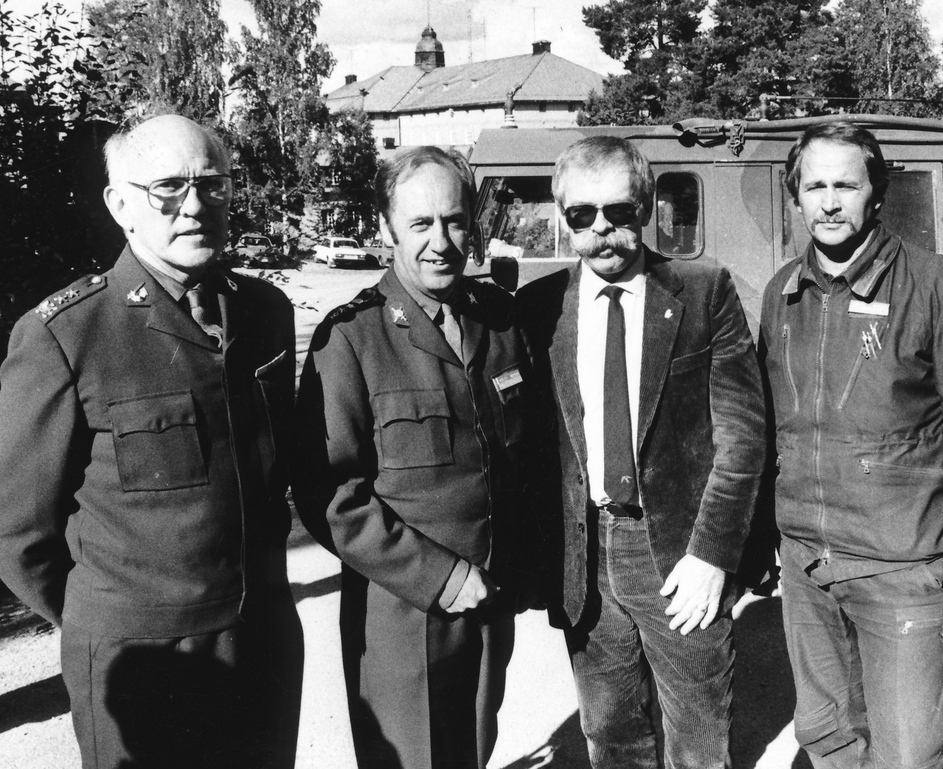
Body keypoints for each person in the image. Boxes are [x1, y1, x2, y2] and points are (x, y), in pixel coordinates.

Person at [0, 114, 303, 768]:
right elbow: (15, 529)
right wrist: (105, 619)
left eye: (212, 184)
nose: (194, 206)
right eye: (168, 187)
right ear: (120, 205)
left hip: (263, 643)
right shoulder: (66, 335)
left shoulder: (264, 313)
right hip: (145, 663)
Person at [758, 122, 943, 769]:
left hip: (901, 566)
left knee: (906, 754)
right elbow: (769, 431)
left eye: (846, 185)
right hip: (807, 565)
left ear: (877, 193)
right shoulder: (782, 292)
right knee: (827, 738)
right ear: (795, 196)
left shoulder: (937, 285)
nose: (829, 202)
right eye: (814, 186)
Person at [519, 136, 765, 769]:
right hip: (585, 555)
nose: (601, 229)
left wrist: (713, 554)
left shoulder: (704, 291)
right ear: (562, 215)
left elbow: (743, 436)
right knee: (610, 738)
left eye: (619, 211)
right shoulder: (539, 308)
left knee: (699, 740)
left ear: (648, 206)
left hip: (680, 553)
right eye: (582, 215)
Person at [293, 146, 534, 769]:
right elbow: (330, 494)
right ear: (386, 228)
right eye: (421, 223)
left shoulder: (498, 320)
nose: (441, 242)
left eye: (454, 221)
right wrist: (440, 577)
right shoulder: (351, 337)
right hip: (401, 610)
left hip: (490, 599)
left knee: (472, 751)